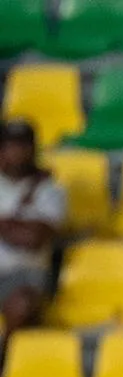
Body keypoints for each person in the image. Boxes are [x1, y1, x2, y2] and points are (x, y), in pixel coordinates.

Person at [0, 119, 65, 358]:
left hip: (25, 276)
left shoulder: (49, 190)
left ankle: (5, 362)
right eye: (11, 145)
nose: (18, 152)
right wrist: (17, 224)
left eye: (23, 145)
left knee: (22, 304)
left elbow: (34, 239)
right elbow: (27, 232)